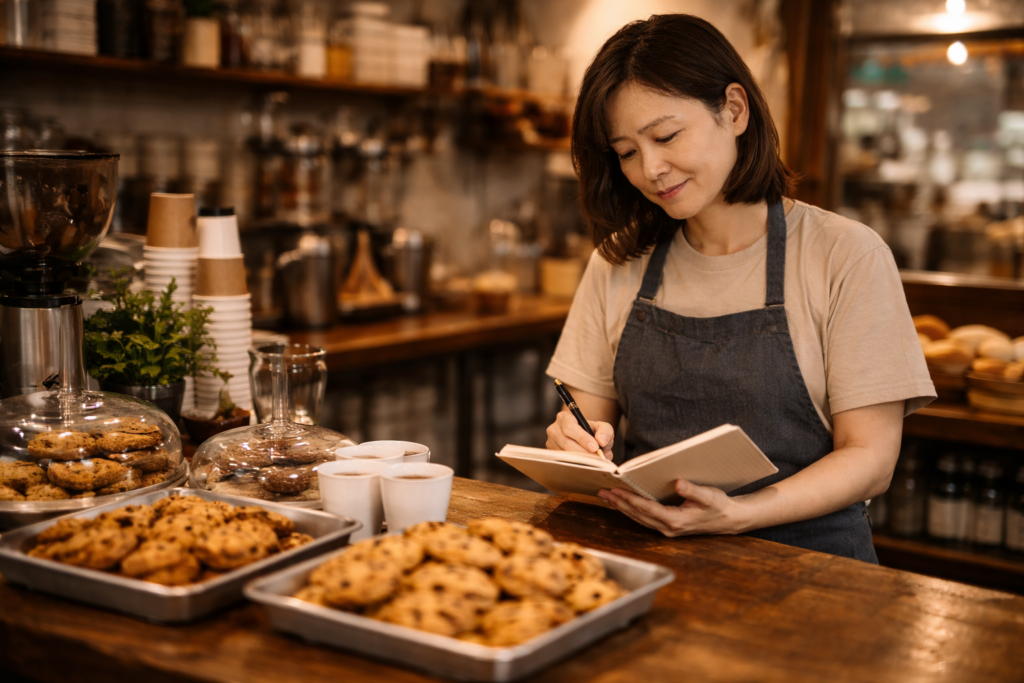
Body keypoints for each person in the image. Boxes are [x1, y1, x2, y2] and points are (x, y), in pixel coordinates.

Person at [544, 14, 935, 563]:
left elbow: (871, 457)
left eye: (666, 135)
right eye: (627, 152)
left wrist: (740, 515)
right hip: (651, 559)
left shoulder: (846, 255)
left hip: (816, 570)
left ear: (734, 109)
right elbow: (587, 423)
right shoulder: (619, 260)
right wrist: (574, 445)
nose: (650, 169)